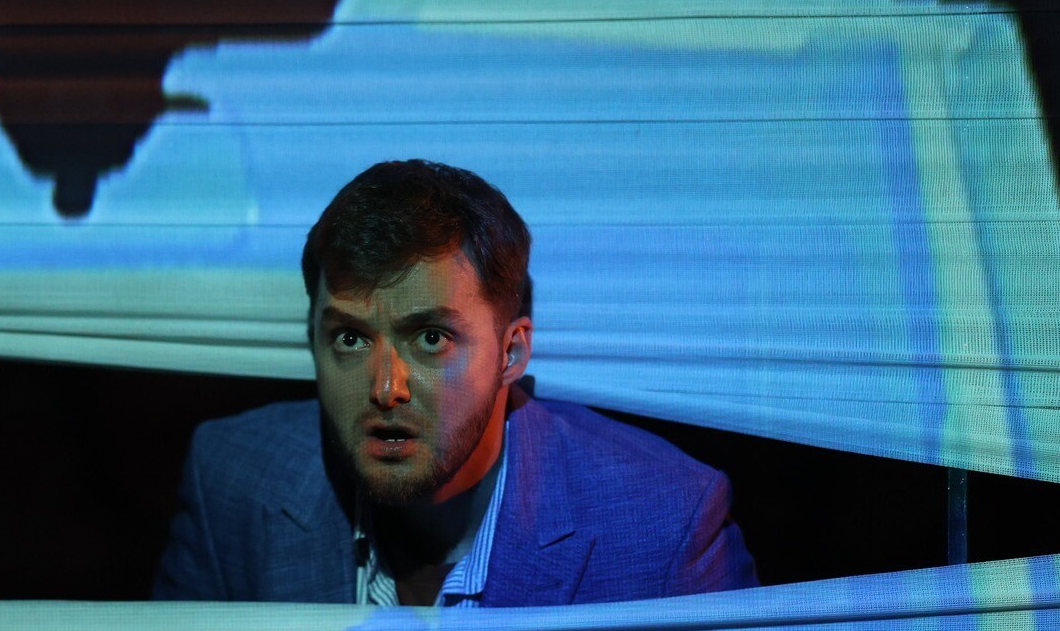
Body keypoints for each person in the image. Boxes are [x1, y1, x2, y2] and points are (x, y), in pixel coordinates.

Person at [155, 159, 757, 606]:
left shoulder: (662, 523)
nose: (386, 388)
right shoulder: (233, 479)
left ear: (511, 353)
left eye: (431, 338)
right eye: (350, 339)